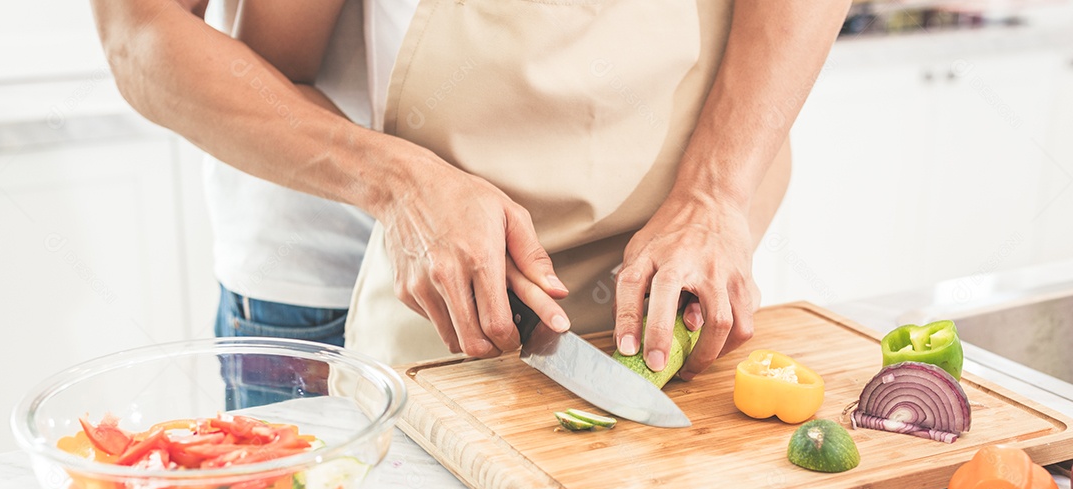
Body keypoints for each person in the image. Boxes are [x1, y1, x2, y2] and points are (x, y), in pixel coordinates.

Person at [91, 0, 851, 381]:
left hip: (669, 277)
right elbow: (142, 30)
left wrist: (715, 193)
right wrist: (395, 183)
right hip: (338, 295)